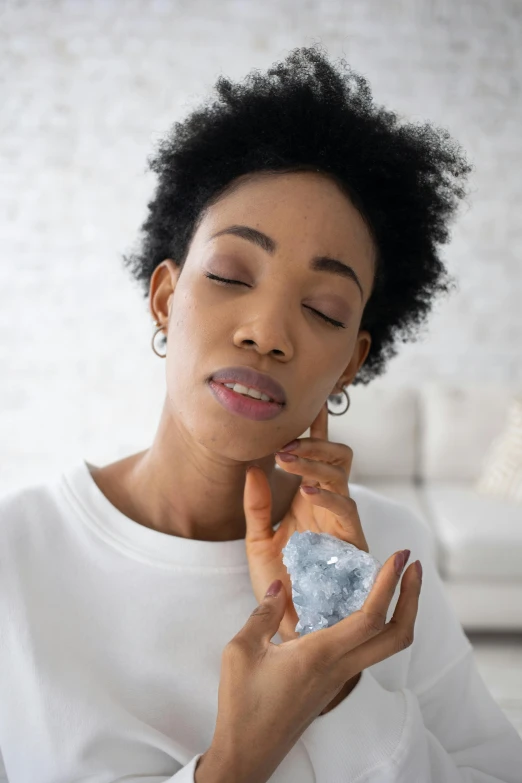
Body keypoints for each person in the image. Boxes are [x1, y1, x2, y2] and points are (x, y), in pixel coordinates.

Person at [1, 45, 521, 783]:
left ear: (350, 361)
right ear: (164, 297)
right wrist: (238, 760)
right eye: (230, 275)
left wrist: (337, 671)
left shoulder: (385, 556)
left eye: (322, 308)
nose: (268, 331)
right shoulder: (15, 559)